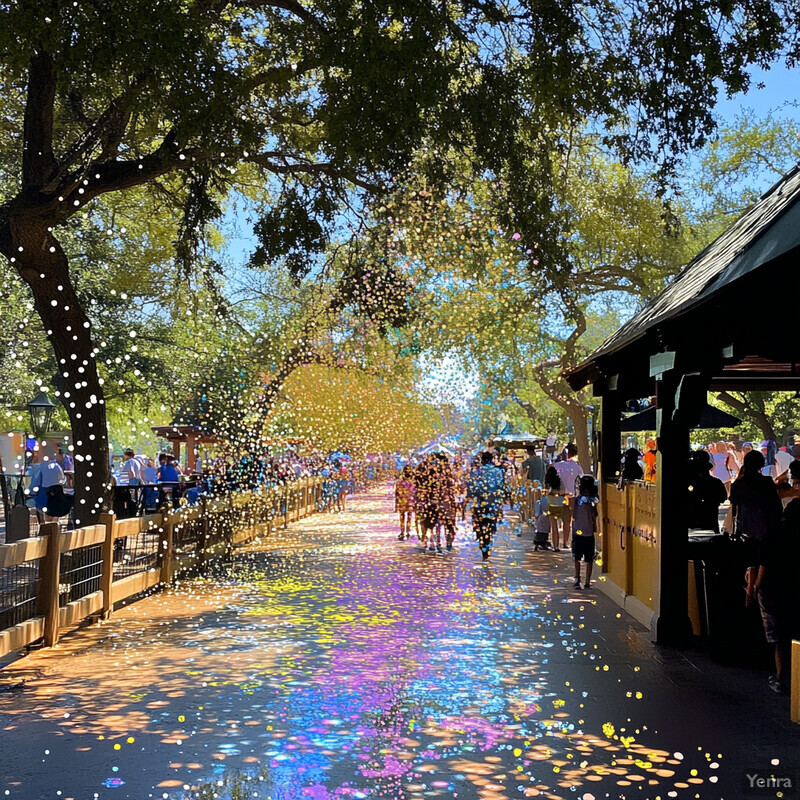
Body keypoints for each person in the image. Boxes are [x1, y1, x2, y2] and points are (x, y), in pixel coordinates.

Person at [747, 491, 800, 693]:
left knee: (779, 637)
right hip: (794, 587)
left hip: (773, 590)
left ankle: (780, 679)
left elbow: (764, 565)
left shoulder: (774, 533)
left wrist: (754, 588)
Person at [467, 451, 507, 561]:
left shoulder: (477, 471)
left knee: (478, 523)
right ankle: (489, 536)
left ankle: (481, 541)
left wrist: (471, 495)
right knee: (491, 522)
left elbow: (470, 487)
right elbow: (502, 486)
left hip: (479, 503)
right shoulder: (498, 471)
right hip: (493, 502)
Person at [686, 450, 727, 532]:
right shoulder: (716, 483)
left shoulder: (715, 483)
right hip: (707, 521)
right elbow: (723, 497)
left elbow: (722, 497)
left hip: (699, 522)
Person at [570, 475, 598, 588]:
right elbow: (595, 516)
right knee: (588, 559)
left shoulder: (577, 500)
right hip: (588, 532)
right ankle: (587, 581)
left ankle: (577, 579)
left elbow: (573, 514)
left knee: (577, 557)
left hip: (578, 532)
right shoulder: (593, 501)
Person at [543, 465, 569, 551]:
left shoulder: (547, 483)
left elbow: (545, 493)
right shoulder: (559, 481)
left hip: (551, 505)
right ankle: (565, 542)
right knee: (564, 523)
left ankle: (555, 546)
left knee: (554, 527)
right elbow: (563, 491)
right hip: (561, 504)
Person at [394, 465, 415, 540]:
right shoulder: (413, 481)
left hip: (403, 500)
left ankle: (403, 532)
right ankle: (407, 531)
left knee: (403, 517)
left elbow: (396, 493)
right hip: (409, 501)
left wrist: (396, 504)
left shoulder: (400, 481)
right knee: (408, 516)